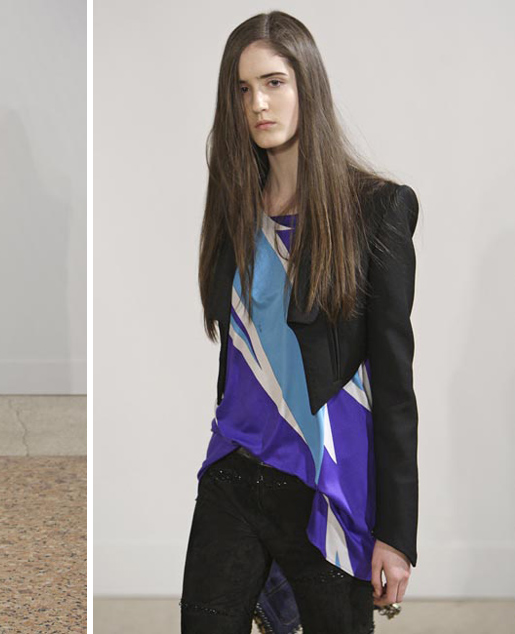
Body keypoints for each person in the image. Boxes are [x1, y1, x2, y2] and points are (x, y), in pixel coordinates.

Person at [179, 11, 419, 634]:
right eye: (242, 89)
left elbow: (395, 386)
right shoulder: (235, 210)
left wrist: (397, 534)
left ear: (307, 84)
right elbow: (238, 350)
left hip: (325, 489)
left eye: (273, 82)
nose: (257, 103)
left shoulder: (374, 210)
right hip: (234, 473)